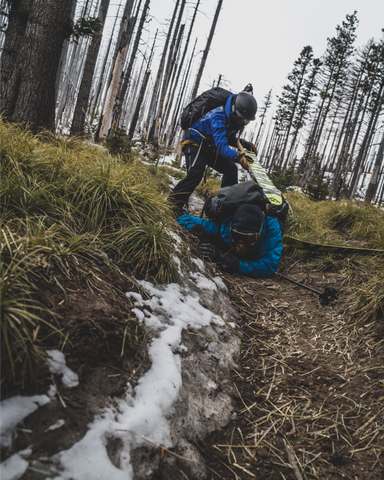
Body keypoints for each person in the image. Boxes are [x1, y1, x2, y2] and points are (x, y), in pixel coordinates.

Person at [170, 87, 258, 218]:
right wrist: (239, 157)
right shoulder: (218, 116)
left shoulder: (232, 119)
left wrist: (243, 144)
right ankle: (172, 206)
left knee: (231, 170)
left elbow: (226, 137)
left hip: (210, 145)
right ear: (234, 112)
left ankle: (225, 209)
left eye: (246, 121)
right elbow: (222, 147)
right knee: (195, 173)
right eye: (242, 119)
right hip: (194, 141)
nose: (243, 123)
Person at [177, 204, 283, 278]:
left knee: (279, 214)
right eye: (237, 236)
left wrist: (230, 262)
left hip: (270, 224)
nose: (241, 244)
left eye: (248, 238)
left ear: (259, 235)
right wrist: (200, 233)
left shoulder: (271, 230)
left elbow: (269, 265)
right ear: (230, 231)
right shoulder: (221, 228)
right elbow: (183, 219)